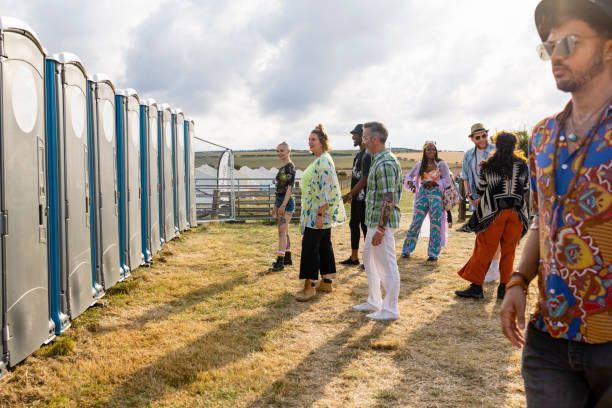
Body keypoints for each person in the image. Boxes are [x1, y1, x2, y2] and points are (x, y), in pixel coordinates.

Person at [500, 1, 612, 406]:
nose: (556, 55)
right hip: (549, 340)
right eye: (548, 47)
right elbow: (542, 220)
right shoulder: (543, 135)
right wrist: (518, 281)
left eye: (570, 42)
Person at [455, 132, 530, 300]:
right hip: (517, 212)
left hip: (493, 212)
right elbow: (525, 188)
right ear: (514, 145)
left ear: (497, 145)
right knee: (509, 251)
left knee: (484, 249)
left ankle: (476, 287)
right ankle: (504, 288)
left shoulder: (488, 165)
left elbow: (481, 189)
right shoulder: (522, 165)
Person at [352, 122, 402, 321]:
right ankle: (375, 300)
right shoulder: (377, 160)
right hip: (373, 222)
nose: (362, 140)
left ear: (374, 139)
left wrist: (381, 229)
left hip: (382, 224)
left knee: (387, 266)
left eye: (364, 136)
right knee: (370, 261)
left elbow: (388, 198)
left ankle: (390, 309)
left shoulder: (385, 163)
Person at [296, 124, 346, 301]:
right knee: (324, 245)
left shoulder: (324, 161)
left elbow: (327, 190)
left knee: (310, 247)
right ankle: (326, 281)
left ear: (322, 142)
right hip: (317, 213)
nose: (310, 142)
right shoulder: (321, 159)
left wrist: (319, 215)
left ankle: (308, 287)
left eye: (313, 140)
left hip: (317, 214)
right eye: (309, 139)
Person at [460, 123, 502, 280]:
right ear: (472, 139)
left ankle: (494, 268)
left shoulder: (495, 151)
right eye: (478, 137)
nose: (482, 139)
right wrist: (470, 195)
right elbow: (465, 177)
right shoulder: (468, 154)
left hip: (494, 197)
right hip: (476, 198)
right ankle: (487, 265)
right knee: (481, 233)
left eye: (484, 135)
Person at [401, 141, 452, 262]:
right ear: (424, 151)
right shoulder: (419, 165)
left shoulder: (441, 164)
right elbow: (409, 177)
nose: (431, 151)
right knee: (416, 222)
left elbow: (447, 180)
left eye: (433, 149)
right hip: (422, 194)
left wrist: (436, 182)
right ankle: (407, 250)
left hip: (436, 195)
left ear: (436, 151)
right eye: (428, 149)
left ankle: (433, 253)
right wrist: (413, 185)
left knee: (436, 223)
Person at [340, 124, 372, 267]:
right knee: (354, 225)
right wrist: (352, 196)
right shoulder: (359, 155)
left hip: (365, 199)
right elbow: (355, 178)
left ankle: (368, 260)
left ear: (363, 136)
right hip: (356, 199)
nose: (353, 137)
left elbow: (365, 179)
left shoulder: (368, 155)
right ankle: (354, 258)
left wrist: (349, 195)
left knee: (365, 228)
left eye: (355, 134)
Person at [269, 141, 296, 272]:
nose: (279, 153)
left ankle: (280, 262)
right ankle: (287, 257)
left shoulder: (290, 167)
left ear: (288, 152)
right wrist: (276, 205)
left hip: (287, 202)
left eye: (282, 151)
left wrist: (283, 206)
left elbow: (289, 188)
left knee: (282, 232)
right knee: (284, 231)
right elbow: (279, 188)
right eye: (277, 151)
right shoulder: (282, 169)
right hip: (280, 201)